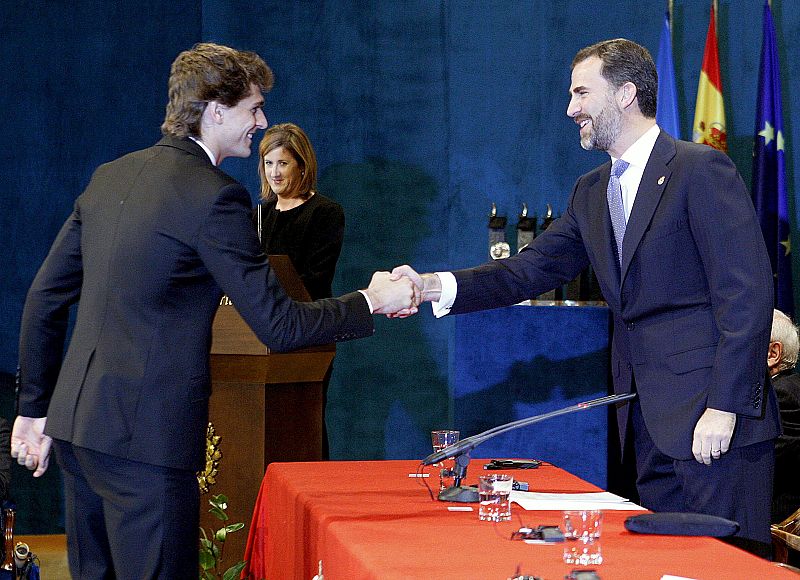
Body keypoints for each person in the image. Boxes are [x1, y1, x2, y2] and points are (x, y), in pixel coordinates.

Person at [11, 42, 417, 578]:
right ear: (215, 110)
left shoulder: (109, 177)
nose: (262, 120)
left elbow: (45, 297)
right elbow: (279, 323)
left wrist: (33, 409)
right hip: (147, 444)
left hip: (77, 433)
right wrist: (372, 300)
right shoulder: (217, 197)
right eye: (254, 107)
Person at [391, 38, 780, 553]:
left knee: (726, 566)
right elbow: (526, 272)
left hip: (714, 425)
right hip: (644, 423)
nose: (571, 108)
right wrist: (431, 286)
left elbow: (747, 295)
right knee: (663, 564)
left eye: (580, 93)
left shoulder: (699, 170)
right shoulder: (591, 191)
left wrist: (725, 407)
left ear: (624, 93)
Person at [256, 122, 344, 301]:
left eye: (282, 163)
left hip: (308, 317)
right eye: (268, 163)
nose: (274, 173)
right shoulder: (258, 215)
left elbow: (316, 280)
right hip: (264, 320)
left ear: (302, 166)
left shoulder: (325, 213)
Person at [768, 309, 800, 524]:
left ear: (773, 354)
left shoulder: (781, 395)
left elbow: (764, 459)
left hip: (776, 526)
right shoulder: (791, 385)